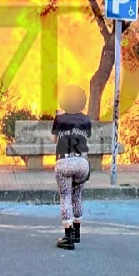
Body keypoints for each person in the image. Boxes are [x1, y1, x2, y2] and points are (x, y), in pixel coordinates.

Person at [51, 85, 92, 250]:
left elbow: (54, 141)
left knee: (66, 196)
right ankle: (77, 233)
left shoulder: (60, 118)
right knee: (77, 195)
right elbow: (86, 137)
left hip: (64, 162)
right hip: (82, 163)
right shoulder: (86, 119)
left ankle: (67, 238)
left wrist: (59, 118)